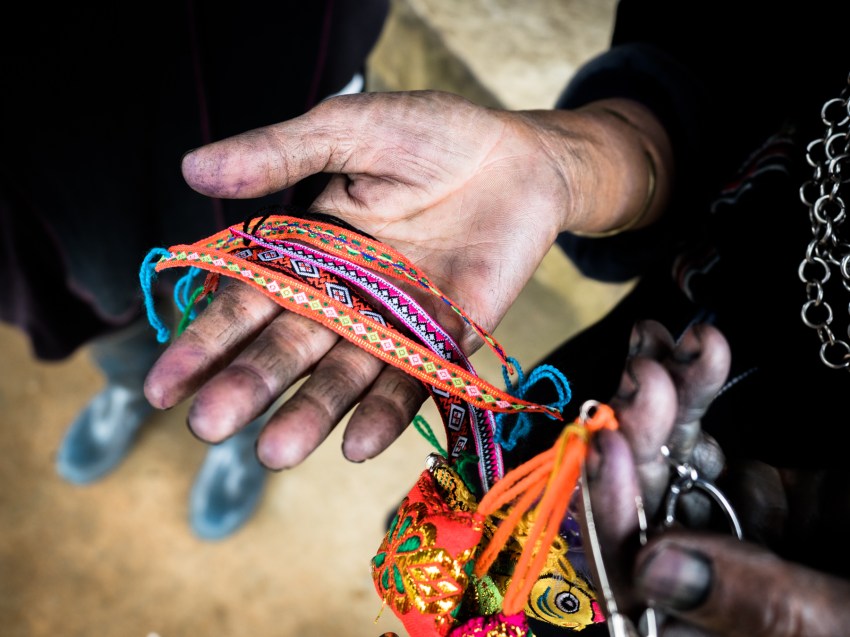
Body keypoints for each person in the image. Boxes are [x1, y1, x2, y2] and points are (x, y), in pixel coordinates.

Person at [139, 0, 850, 632]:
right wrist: (565, 162)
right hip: (605, 410)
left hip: (640, 483)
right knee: (470, 544)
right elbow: (722, 47)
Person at [0, 0, 389, 540]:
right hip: (56, 80)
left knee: (267, 288)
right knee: (94, 269)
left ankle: (243, 432)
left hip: (257, 49)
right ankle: (128, 382)